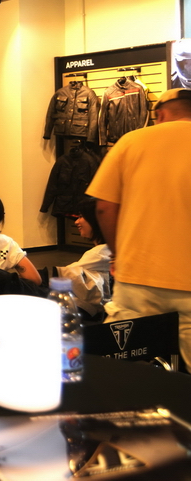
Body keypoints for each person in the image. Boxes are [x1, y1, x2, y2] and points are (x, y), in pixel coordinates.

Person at [86, 87, 191, 366]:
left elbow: (104, 207)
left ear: (160, 114)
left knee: (122, 364)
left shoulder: (131, 141)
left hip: (138, 277)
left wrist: (117, 254)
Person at [55, 196, 112, 319]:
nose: (76, 222)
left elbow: (65, 273)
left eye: (81, 216)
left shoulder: (99, 253)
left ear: (96, 220)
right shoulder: (109, 248)